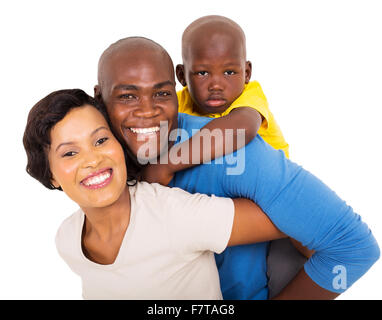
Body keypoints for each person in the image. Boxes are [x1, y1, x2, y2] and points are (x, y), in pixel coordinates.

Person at [94, 36, 380, 299]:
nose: (147, 110)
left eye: (162, 94)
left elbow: (354, 249)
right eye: (127, 96)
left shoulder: (230, 153)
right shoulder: (92, 163)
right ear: (99, 97)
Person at [22, 88, 286, 299]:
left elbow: (294, 217)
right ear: (52, 175)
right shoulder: (67, 239)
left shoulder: (173, 214)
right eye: (70, 153)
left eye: (101, 140)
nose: (92, 160)